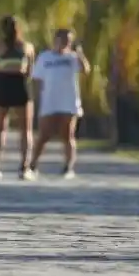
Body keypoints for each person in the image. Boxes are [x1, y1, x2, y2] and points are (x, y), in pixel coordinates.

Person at [29, 29, 90, 178]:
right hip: (49, 102)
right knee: (43, 135)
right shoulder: (45, 57)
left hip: (68, 102)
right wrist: (35, 98)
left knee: (68, 135)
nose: (64, 43)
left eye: (68, 40)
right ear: (55, 40)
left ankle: (68, 167)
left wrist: (80, 53)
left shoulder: (73, 58)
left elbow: (86, 70)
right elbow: (36, 79)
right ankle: (32, 165)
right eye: (61, 39)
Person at [0, 15, 36, 180]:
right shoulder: (27, 47)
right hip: (20, 84)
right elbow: (31, 71)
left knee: (0, 129)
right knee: (25, 129)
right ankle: (24, 167)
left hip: (3, 83)